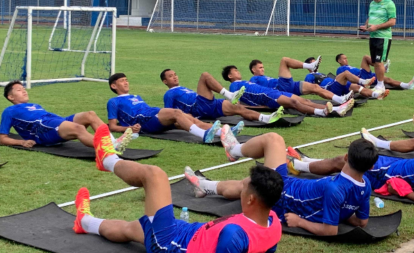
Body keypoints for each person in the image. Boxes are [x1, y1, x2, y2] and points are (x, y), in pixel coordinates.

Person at [73, 125, 283, 252]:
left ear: (251, 200)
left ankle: (108, 159)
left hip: (170, 243)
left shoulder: (234, 235)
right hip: (191, 233)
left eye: (244, 187)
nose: (241, 187)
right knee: (133, 229)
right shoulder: (272, 221)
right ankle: (84, 222)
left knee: (155, 175)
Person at [185, 126, 377, 236]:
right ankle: (205, 184)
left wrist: (300, 221)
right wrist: (343, 211)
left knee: (271, 142)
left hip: (281, 193)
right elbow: (362, 221)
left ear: (345, 157)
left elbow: (330, 231)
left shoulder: (334, 188)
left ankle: (228, 157)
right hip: (290, 186)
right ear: (369, 168)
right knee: (251, 178)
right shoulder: (365, 185)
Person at [289, 120, 414, 204]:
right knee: (345, 159)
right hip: (394, 165)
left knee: (343, 161)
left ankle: (300, 165)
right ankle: (308, 161)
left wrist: (405, 191)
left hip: (387, 172)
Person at [0, 81, 134, 151]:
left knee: (90, 115)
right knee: (78, 128)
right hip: (43, 130)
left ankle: (112, 143)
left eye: (24, 88)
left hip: (54, 122)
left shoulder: (35, 105)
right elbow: (2, 138)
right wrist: (21, 142)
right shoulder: (9, 111)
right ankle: (107, 148)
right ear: (10, 96)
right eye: (19, 90)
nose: (24, 91)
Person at [107, 73, 229, 143]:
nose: (126, 82)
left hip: (152, 114)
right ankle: (203, 135)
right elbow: (112, 126)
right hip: (145, 122)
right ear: (114, 86)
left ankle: (223, 132)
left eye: (126, 80)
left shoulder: (136, 96)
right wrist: (130, 128)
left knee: (191, 119)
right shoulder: (113, 101)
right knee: (176, 113)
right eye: (122, 81)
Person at [222, 65, 353, 117]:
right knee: (294, 103)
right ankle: (322, 112)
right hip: (266, 97)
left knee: (304, 100)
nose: (238, 72)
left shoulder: (243, 81)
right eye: (235, 71)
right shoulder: (234, 86)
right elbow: (237, 104)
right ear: (230, 76)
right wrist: (257, 108)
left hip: (272, 92)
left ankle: (336, 109)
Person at [161, 69, 284, 124]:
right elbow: (168, 114)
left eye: (175, 74)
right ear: (165, 81)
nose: (175, 77)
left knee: (238, 108)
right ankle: (230, 95)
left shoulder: (181, 88)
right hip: (199, 106)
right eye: (171, 76)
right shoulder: (169, 94)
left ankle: (265, 119)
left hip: (210, 104)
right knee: (205, 75)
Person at [249, 57, 353, 104]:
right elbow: (255, 93)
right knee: (284, 60)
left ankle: (339, 99)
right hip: (281, 88)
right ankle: (311, 66)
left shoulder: (264, 77)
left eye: (262, 67)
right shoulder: (253, 79)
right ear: (253, 70)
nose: (262, 69)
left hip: (289, 86)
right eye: (260, 68)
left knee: (315, 87)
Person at [358, 0, 398, 95]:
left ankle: (381, 85)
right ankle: (379, 84)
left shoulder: (389, 4)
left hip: (383, 37)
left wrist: (377, 27)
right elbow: (370, 17)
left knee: (379, 61)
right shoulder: (372, 3)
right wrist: (366, 26)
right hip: (373, 36)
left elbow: (392, 22)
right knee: (375, 61)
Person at [303, 57, 388, 100]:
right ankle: (363, 81)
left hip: (336, 84)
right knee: (346, 74)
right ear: (309, 66)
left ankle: (376, 95)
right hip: (330, 88)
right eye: (314, 63)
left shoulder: (320, 73)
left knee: (357, 87)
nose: (317, 64)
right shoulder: (309, 76)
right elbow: (309, 88)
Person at [336, 53, 414, 90]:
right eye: (344, 58)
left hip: (367, 75)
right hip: (361, 76)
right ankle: (382, 68)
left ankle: (407, 85)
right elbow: (343, 79)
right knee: (365, 58)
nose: (346, 60)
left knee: (387, 79)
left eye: (346, 58)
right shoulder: (340, 69)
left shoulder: (349, 66)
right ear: (339, 61)